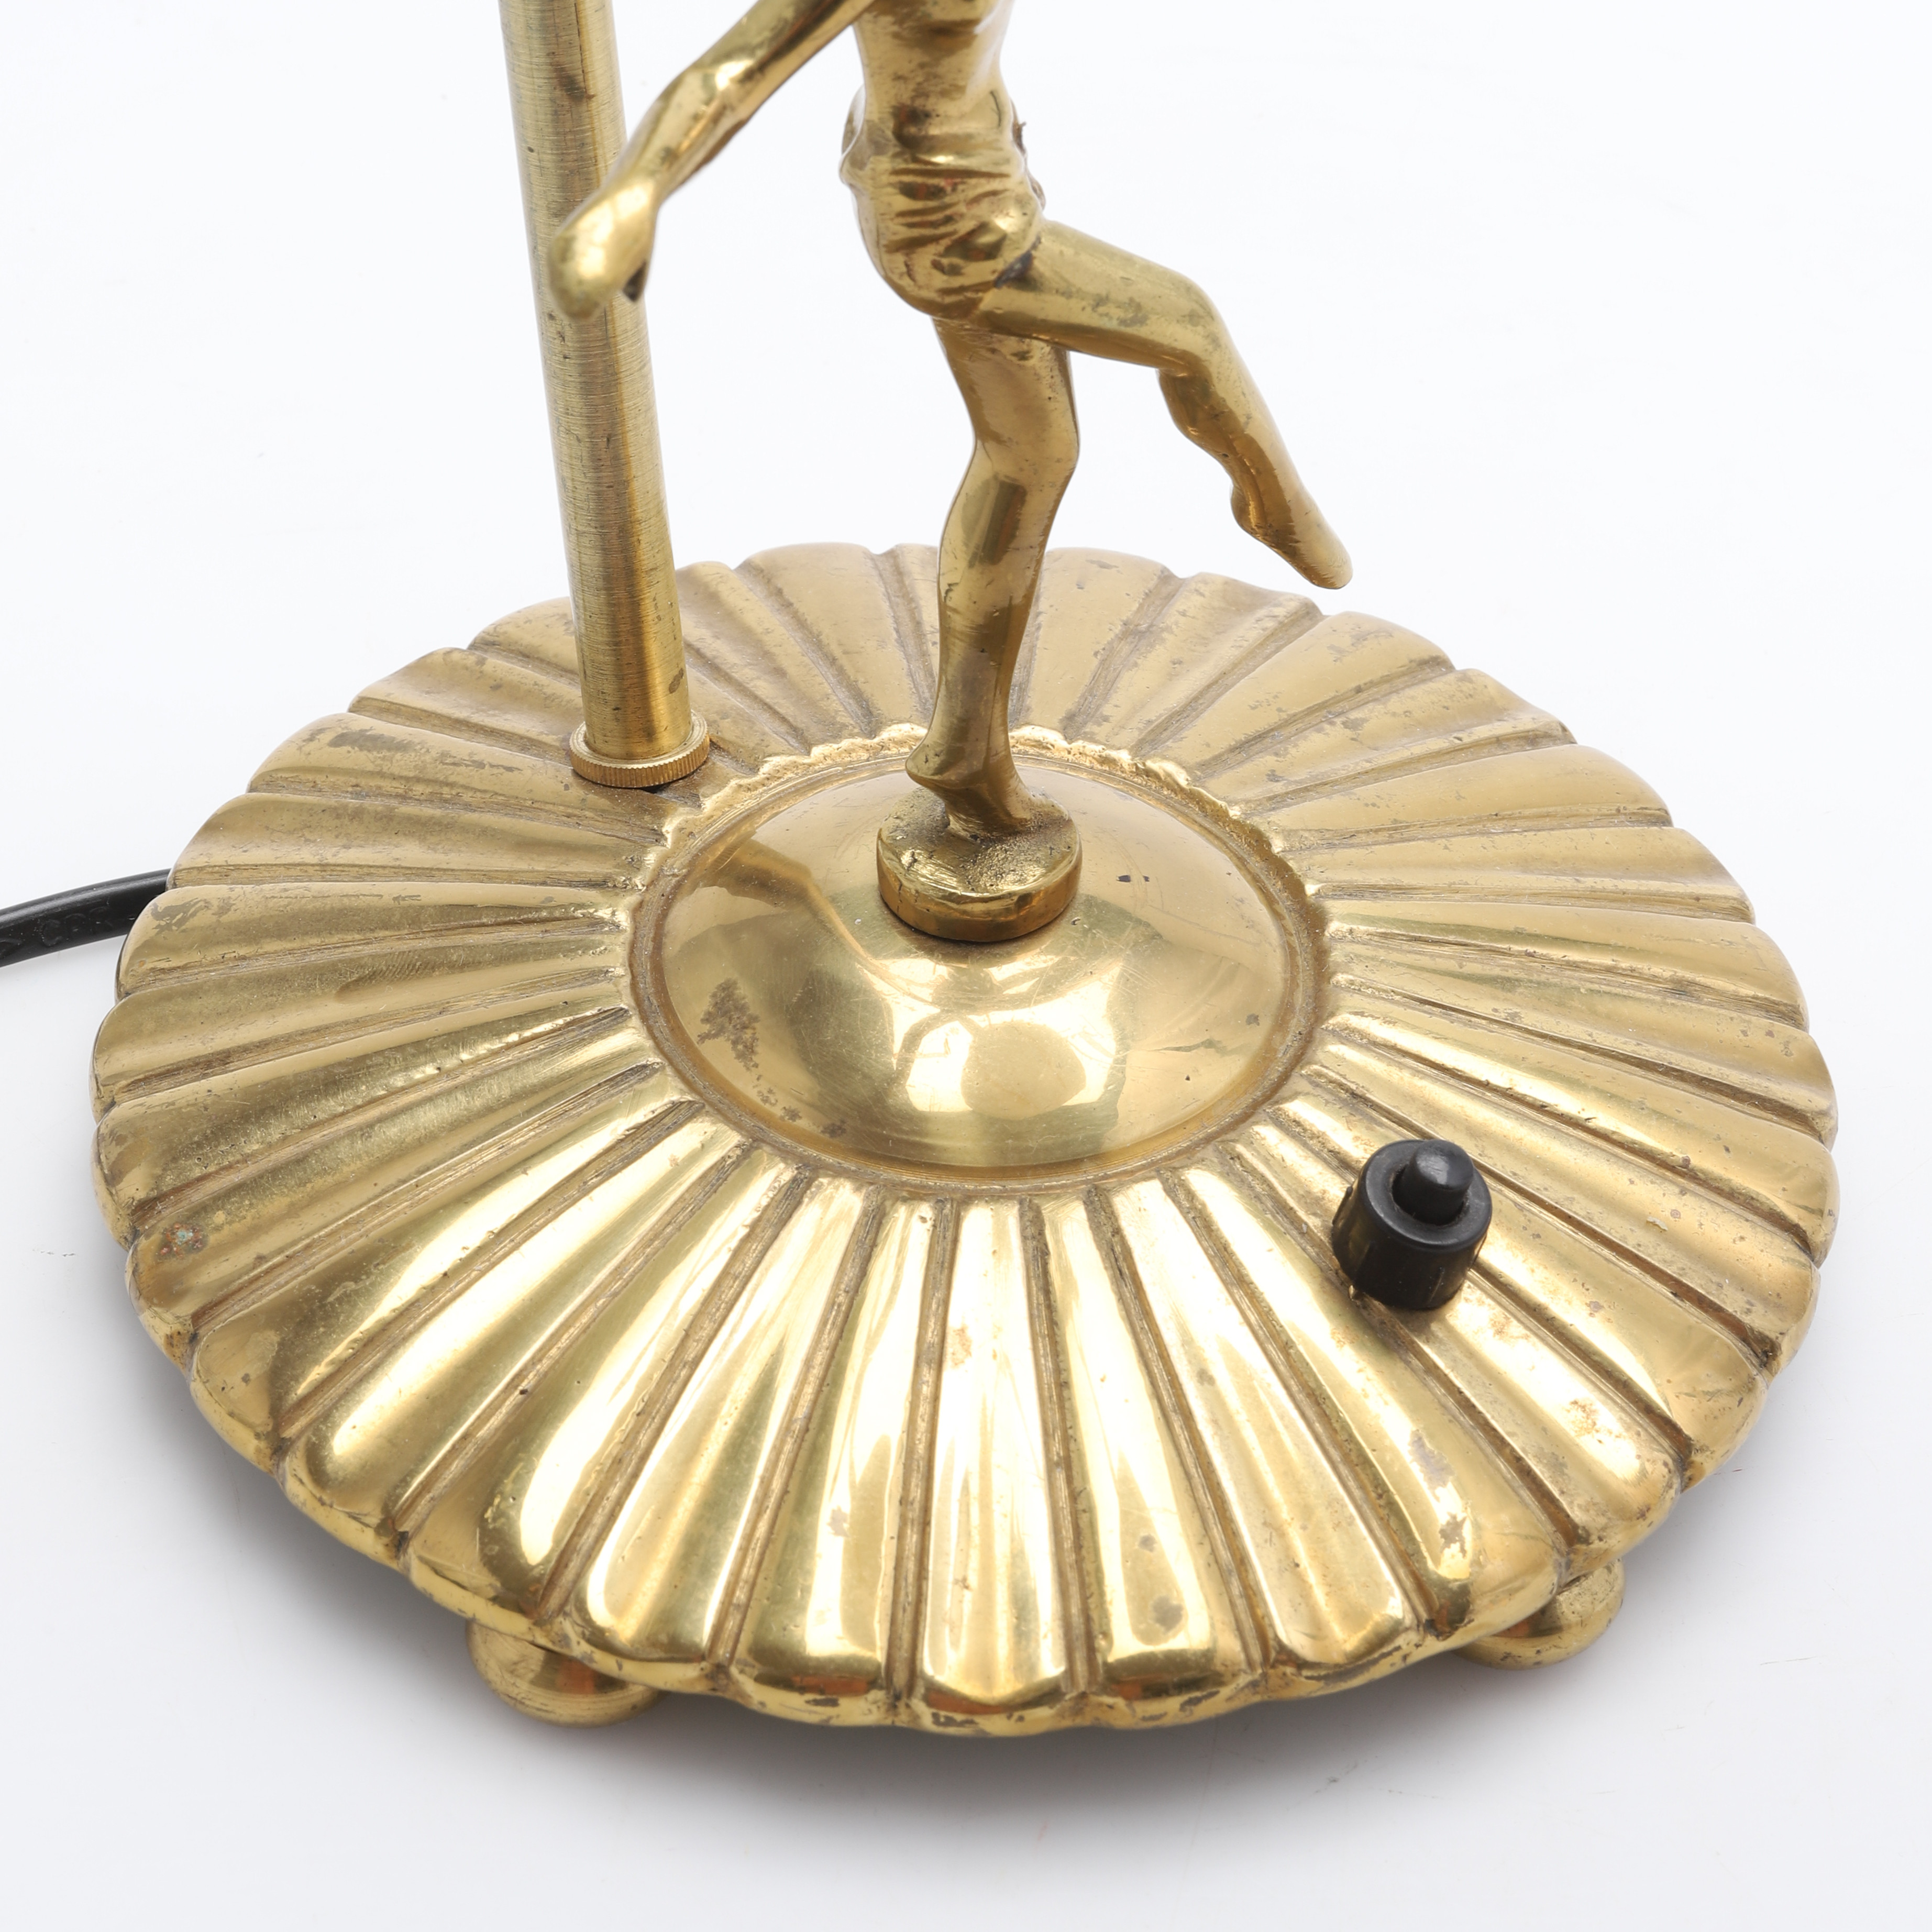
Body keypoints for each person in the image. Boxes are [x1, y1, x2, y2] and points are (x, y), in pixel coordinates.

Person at [553, 0, 1350, 837]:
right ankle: (1273, 502)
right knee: (1190, 326)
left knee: (1028, 459)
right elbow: (727, 77)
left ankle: (966, 750)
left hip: (992, 187)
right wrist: (631, 199)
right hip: (953, 229)